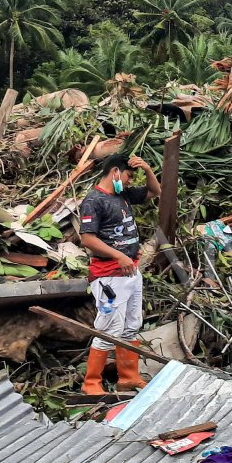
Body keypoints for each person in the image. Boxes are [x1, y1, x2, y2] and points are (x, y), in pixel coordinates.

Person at [78, 153, 161, 395]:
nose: (129, 181)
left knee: (131, 325)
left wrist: (146, 167)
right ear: (115, 172)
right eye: (127, 176)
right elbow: (87, 239)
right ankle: (91, 383)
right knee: (108, 328)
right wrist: (118, 255)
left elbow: (154, 191)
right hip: (109, 276)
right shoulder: (94, 201)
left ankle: (129, 377)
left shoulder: (122, 195)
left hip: (131, 272)